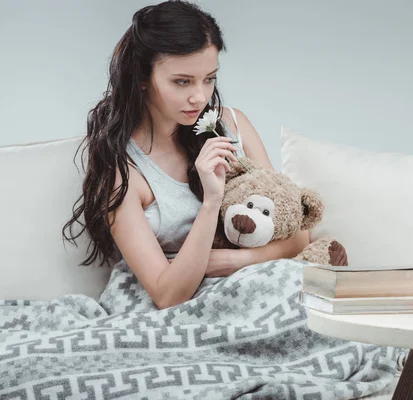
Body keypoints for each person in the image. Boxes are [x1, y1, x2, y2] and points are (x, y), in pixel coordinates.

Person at [62, 0, 309, 310]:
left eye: (209, 79)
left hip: (258, 291)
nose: (199, 96)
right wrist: (211, 202)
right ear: (142, 78)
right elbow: (168, 295)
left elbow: (300, 236)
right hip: (183, 310)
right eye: (182, 81)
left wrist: (234, 261)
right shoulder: (125, 172)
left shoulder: (233, 127)